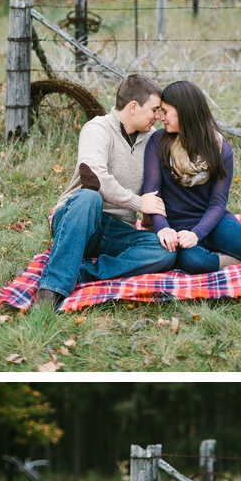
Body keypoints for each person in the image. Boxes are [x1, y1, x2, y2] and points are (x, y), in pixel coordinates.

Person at [33, 73, 176, 309]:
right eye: (154, 110)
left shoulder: (152, 139)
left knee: (164, 252)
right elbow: (95, 178)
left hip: (116, 231)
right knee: (89, 197)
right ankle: (52, 289)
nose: (158, 117)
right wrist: (139, 204)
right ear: (133, 107)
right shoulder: (97, 129)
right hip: (78, 219)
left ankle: (80, 274)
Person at [142, 80, 241, 273]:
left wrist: (197, 233)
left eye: (165, 111)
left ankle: (226, 251)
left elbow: (218, 203)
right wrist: (163, 228)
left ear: (184, 112)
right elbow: (152, 194)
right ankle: (236, 262)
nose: (160, 117)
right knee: (193, 262)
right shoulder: (158, 142)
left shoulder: (220, 149)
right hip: (177, 229)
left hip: (212, 222)